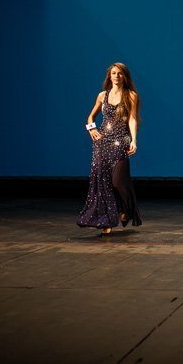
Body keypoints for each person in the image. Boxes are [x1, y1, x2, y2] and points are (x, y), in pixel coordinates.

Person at [77, 62, 143, 236]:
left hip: (121, 142)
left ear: (125, 77)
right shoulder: (102, 96)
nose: (116, 76)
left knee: (118, 182)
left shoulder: (131, 95)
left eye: (120, 73)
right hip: (102, 144)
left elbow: (132, 119)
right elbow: (91, 116)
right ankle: (106, 221)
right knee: (103, 183)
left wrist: (134, 140)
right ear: (109, 76)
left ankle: (126, 209)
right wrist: (91, 129)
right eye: (114, 73)